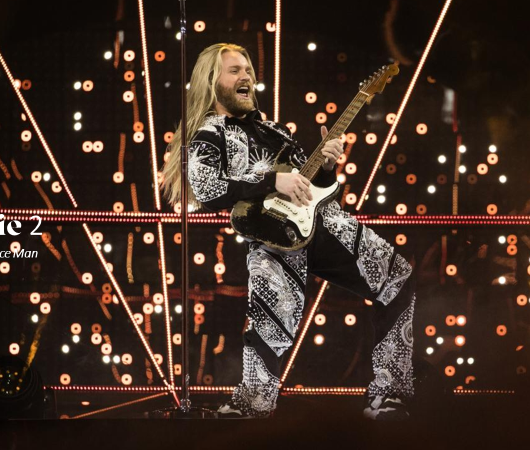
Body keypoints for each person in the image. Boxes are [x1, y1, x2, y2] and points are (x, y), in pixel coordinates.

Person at [162, 43, 416, 420]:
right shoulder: (206, 135)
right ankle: (249, 409)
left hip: (326, 224)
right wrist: (270, 180)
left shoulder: (276, 131)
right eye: (234, 70)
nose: (246, 75)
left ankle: (389, 396)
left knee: (397, 276)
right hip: (272, 236)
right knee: (271, 319)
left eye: (247, 69)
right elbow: (207, 188)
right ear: (212, 82)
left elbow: (310, 184)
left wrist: (327, 166)